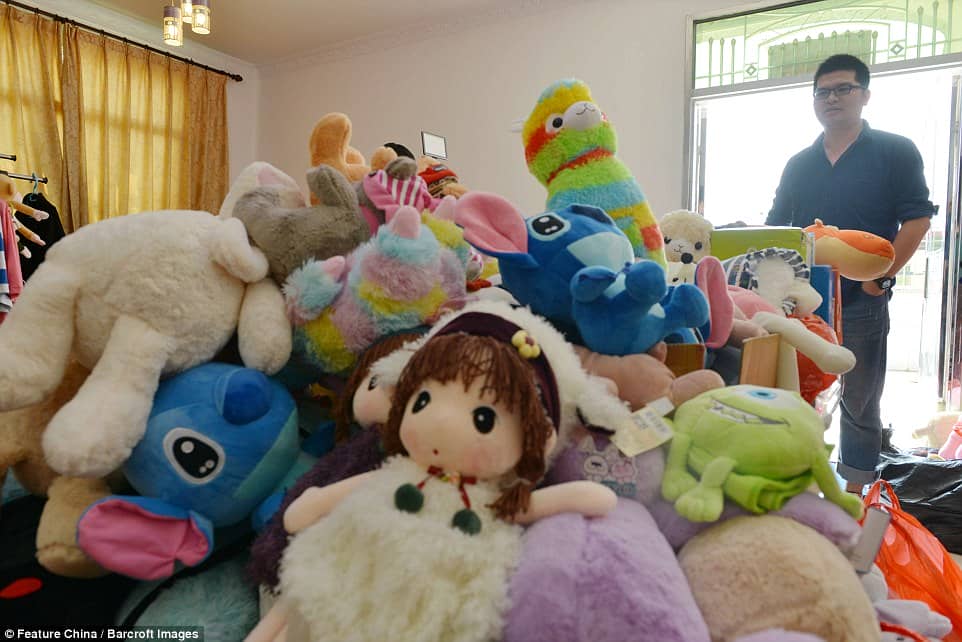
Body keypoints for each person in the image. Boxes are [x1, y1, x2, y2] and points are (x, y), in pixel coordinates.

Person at [766, 54, 934, 495]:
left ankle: (855, 495)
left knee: (859, 400)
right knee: (798, 390)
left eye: (843, 88)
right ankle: (797, 482)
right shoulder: (799, 163)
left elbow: (917, 219)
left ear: (865, 95)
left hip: (863, 301)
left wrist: (881, 278)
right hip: (804, 302)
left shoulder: (895, 151)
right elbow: (777, 227)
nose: (831, 98)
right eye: (822, 92)